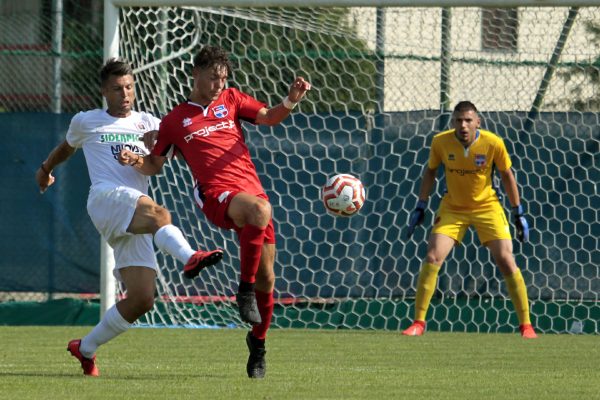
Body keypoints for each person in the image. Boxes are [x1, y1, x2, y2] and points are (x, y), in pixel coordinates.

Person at [118, 45, 311, 378]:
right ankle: (243, 291)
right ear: (196, 74)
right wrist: (133, 160)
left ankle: (258, 343)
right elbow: (154, 165)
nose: (219, 84)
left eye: (223, 78)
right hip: (215, 195)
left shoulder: (232, 100)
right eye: (212, 78)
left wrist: (291, 100)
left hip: (251, 194)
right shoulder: (176, 120)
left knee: (268, 277)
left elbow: (269, 117)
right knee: (261, 211)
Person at [35, 58, 224, 377]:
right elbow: (66, 148)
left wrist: (142, 156)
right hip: (106, 198)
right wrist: (45, 170)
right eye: (117, 88)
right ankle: (190, 257)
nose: (125, 94)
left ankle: (85, 348)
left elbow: (156, 165)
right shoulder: (87, 121)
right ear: (103, 92)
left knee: (141, 298)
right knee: (158, 212)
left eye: (129, 87)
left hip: (131, 211)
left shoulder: (149, 123)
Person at [402, 101, 537, 339]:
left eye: (467, 120)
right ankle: (418, 323)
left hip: (487, 207)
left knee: (506, 259)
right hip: (453, 207)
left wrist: (518, 212)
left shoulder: (493, 143)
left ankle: (526, 326)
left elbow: (507, 175)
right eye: (458, 120)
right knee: (433, 256)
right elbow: (431, 171)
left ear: (478, 122)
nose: (463, 125)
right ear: (453, 122)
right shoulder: (440, 142)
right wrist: (421, 205)